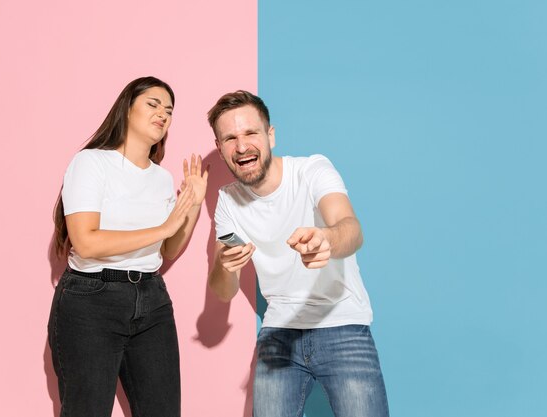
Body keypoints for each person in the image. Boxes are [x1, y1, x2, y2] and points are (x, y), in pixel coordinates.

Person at [207, 90, 389, 417]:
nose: (242, 145)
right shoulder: (227, 201)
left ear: (270, 135)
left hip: (343, 325)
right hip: (278, 335)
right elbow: (224, 290)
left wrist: (327, 240)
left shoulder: (311, 171)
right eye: (230, 138)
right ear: (221, 151)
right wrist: (225, 264)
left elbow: (351, 227)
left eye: (250, 133)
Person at [47, 76, 208, 417]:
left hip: (152, 299)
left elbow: (168, 250)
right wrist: (163, 226)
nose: (163, 114)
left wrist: (192, 205)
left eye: (169, 110)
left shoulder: (161, 178)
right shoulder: (92, 162)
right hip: (91, 300)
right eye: (153, 104)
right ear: (127, 109)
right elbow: (86, 242)